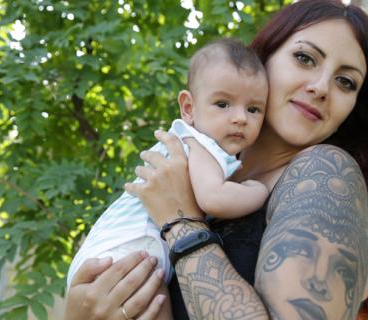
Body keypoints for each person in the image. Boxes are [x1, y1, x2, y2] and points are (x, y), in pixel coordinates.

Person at [64, 1, 368, 319]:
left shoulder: (325, 175)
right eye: (305, 58)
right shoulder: (208, 166)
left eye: (346, 82)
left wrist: (180, 222)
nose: (320, 86)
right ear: (263, 60)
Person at [65, 38, 269, 319]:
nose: (240, 118)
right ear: (188, 107)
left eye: (253, 109)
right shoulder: (199, 144)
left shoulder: (190, 141)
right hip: (130, 250)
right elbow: (215, 198)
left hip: (106, 252)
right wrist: (258, 190)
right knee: (154, 302)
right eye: (223, 104)